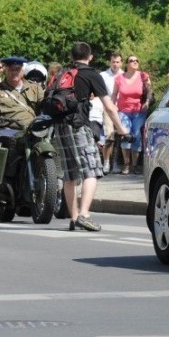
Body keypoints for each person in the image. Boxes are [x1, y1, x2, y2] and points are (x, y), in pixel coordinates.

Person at [53, 42, 128, 232]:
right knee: (92, 170)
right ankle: (84, 215)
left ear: (72, 56)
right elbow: (109, 106)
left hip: (60, 127)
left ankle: (74, 217)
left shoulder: (61, 73)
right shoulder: (91, 74)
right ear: (90, 56)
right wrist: (121, 129)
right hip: (79, 126)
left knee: (70, 175)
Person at [110, 55, 150, 176]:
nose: (135, 62)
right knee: (126, 135)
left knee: (137, 135)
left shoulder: (143, 76)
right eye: (132, 60)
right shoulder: (119, 78)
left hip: (139, 111)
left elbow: (149, 92)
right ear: (127, 64)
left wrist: (147, 102)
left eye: (137, 60)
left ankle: (135, 165)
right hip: (123, 110)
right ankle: (126, 164)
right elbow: (114, 94)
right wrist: (112, 108)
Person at [0, 56, 42, 128]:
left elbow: (46, 104)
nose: (14, 72)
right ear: (5, 71)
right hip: (8, 131)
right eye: (11, 69)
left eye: (17, 69)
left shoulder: (35, 88)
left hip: (32, 130)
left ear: (22, 71)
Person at [100, 51, 124, 174]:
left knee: (121, 136)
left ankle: (116, 163)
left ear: (121, 63)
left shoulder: (124, 75)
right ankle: (106, 162)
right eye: (113, 62)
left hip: (122, 107)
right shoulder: (103, 75)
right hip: (108, 108)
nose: (115, 64)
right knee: (109, 136)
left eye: (117, 62)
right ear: (110, 62)